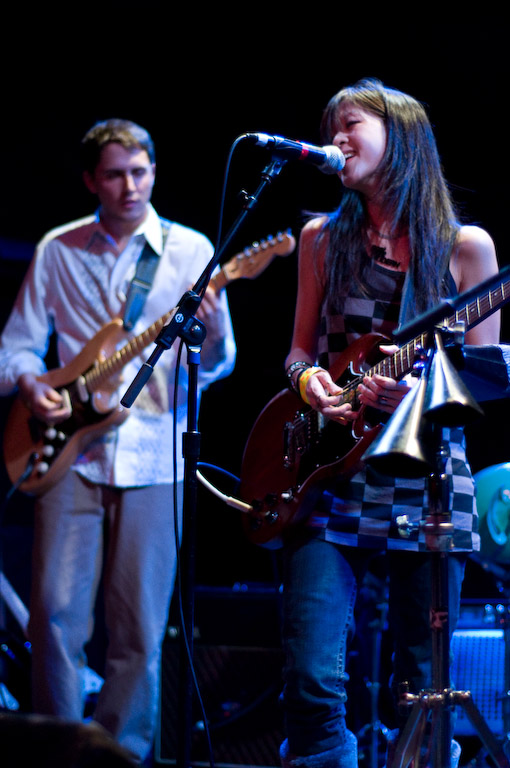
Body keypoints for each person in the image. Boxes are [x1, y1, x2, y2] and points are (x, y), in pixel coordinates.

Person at [0, 119, 236, 764]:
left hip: (154, 455)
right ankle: (54, 749)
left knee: (137, 630)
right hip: (67, 455)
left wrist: (210, 335)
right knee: (53, 617)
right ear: (90, 180)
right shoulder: (59, 247)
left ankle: (123, 757)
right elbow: (18, 342)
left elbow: (218, 366)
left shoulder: (191, 251)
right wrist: (28, 382)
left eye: (140, 171)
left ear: (154, 172)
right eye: (114, 174)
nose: (130, 186)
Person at [281, 78, 500, 768]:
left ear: (399, 133)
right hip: (330, 479)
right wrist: (311, 382)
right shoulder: (322, 238)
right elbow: (298, 349)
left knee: (420, 684)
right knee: (314, 675)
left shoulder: (464, 247)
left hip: (428, 480)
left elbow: (487, 374)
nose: (336, 140)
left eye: (350, 125)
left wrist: (415, 388)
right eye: (331, 128)